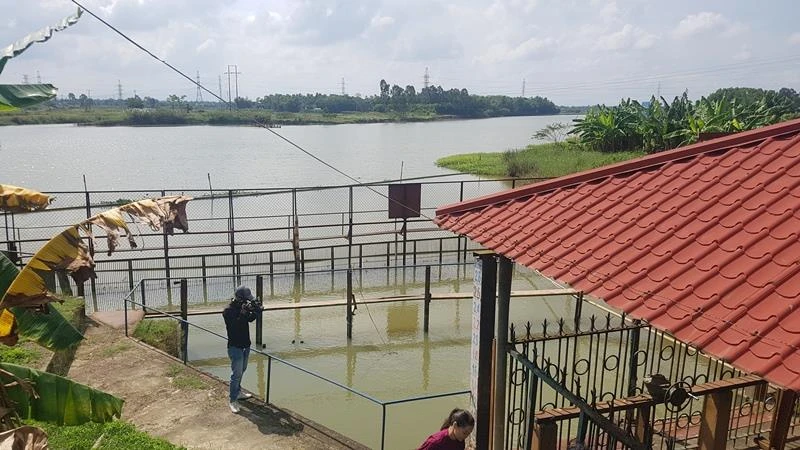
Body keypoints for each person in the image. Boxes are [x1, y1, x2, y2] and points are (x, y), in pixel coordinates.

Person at [223, 285, 260, 413]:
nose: (246, 302)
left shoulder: (242, 307)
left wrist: (256, 310)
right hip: (235, 347)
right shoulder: (228, 310)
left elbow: (250, 319)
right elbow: (234, 326)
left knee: (242, 370)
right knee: (236, 374)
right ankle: (233, 400)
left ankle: (238, 392)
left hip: (245, 345)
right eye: (245, 299)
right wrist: (243, 313)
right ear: (240, 298)